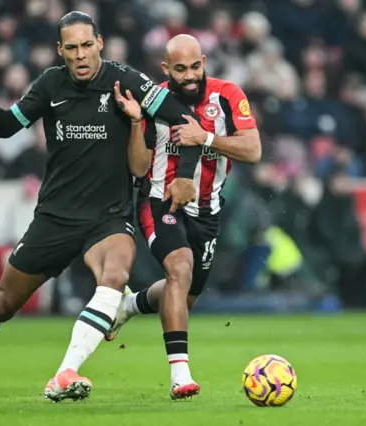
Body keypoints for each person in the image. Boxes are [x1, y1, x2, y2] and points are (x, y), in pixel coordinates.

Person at [0, 12, 202, 403]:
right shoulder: (50, 84)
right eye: (72, 48)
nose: (81, 55)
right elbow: (4, 127)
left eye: (87, 45)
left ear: (99, 43)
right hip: (55, 216)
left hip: (110, 215)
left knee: (114, 277)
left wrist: (184, 175)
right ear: (60, 51)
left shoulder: (127, 80)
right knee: (2, 304)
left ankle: (65, 373)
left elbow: (185, 118)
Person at [105, 35, 262, 399]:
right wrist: (133, 123)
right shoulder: (153, 100)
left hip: (207, 212)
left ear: (204, 61)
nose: (190, 76)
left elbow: (253, 151)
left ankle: (129, 305)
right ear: (165, 69)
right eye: (180, 69)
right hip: (159, 203)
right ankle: (180, 376)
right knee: (179, 267)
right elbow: (138, 166)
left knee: (184, 295)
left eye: (195, 67)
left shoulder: (228, 95)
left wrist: (203, 138)